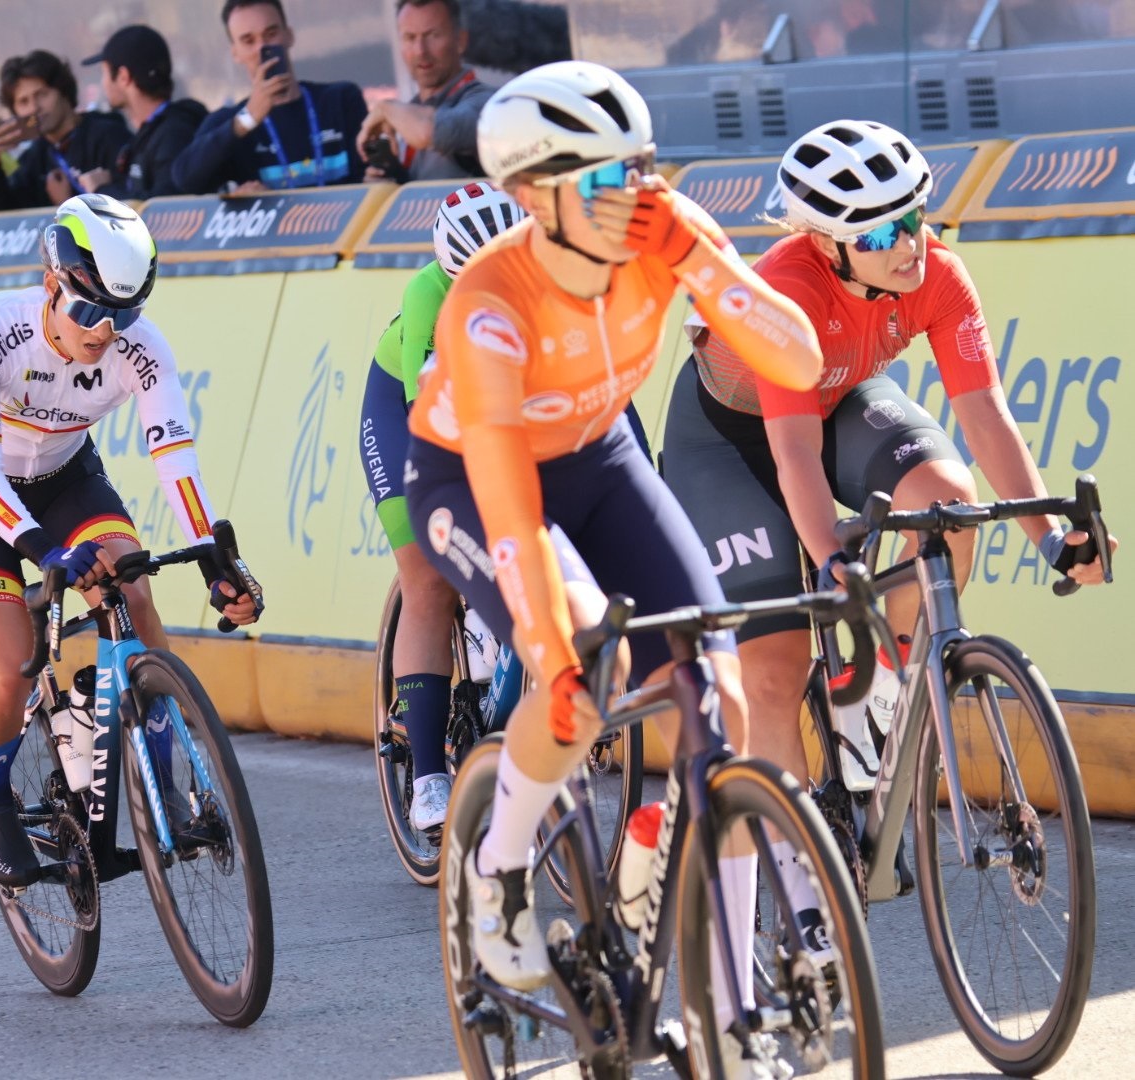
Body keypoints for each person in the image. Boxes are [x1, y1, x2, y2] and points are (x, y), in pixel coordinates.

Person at [402, 62, 821, 1076]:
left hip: (598, 454)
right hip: (475, 474)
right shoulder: (488, 301)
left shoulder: (661, 230)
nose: (630, 196)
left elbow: (800, 360)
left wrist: (706, 265)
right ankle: (497, 869)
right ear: (532, 197)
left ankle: (725, 1007)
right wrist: (552, 642)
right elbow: (506, 497)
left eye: (638, 168)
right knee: (578, 683)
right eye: (599, 181)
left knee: (712, 694)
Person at [661, 119, 1115, 930]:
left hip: (836, 403)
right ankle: (805, 887)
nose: (909, 243)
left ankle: (875, 695)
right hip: (729, 439)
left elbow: (984, 413)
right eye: (879, 231)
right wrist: (827, 554)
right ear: (829, 244)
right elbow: (792, 455)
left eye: (915, 216)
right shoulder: (788, 289)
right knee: (772, 669)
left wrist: (1050, 535)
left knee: (946, 496)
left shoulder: (936, 270)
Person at [0, 193, 259, 888]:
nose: (105, 331)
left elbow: (175, 454)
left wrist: (211, 555)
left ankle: (164, 781)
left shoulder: (143, 349)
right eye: (88, 312)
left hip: (66, 478)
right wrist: (44, 550)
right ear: (51, 284)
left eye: (123, 314)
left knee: (132, 590)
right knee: (12, 663)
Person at [358, 181, 521, 833]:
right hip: (408, 416)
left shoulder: (548, 273)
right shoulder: (428, 294)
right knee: (427, 574)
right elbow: (431, 427)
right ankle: (428, 775)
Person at [172, 0, 369, 195]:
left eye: (271, 34)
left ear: (289, 36)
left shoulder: (341, 99)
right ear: (235, 53)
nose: (261, 48)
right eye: (248, 41)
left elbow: (371, 174)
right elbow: (184, 179)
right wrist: (247, 119)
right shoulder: (231, 122)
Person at [0, 50, 130, 212]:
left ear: (63, 90)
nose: (34, 108)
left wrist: (67, 202)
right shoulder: (35, 157)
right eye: (23, 102)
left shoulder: (110, 135)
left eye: (42, 95)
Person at [356, 0, 491, 182]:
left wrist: (385, 108)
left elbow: (432, 130)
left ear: (461, 40)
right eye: (410, 38)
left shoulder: (486, 101)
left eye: (432, 35)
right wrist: (388, 189)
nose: (420, 50)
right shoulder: (405, 113)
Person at [82, 25, 208, 200]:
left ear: (123, 77)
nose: (102, 84)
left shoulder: (174, 134)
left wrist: (101, 191)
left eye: (104, 73)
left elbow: (167, 209)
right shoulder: (148, 132)